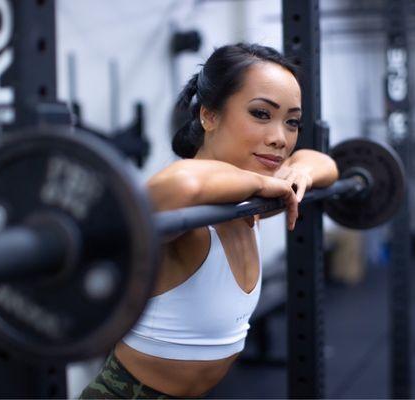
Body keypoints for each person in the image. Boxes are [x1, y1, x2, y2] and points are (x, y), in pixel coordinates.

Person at [80, 43, 338, 399]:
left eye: (291, 121)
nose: (280, 138)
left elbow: (325, 164)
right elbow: (183, 182)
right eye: (262, 114)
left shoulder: (250, 199)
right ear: (209, 116)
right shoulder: (191, 205)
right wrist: (267, 182)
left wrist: (299, 173)